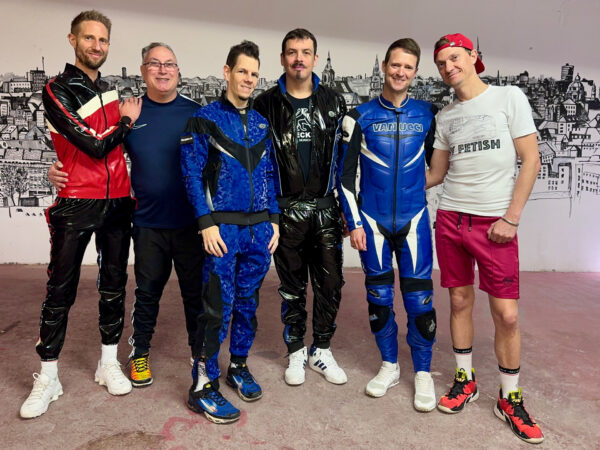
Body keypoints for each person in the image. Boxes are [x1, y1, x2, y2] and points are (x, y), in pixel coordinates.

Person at [48, 43, 204, 388]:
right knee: (147, 293)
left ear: (178, 71)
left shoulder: (197, 113)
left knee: (195, 294)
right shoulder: (129, 113)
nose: (162, 70)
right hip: (147, 222)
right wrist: (55, 169)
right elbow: (96, 153)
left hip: (190, 223)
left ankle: (200, 354)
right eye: (154, 64)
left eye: (169, 64)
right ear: (143, 70)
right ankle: (140, 352)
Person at [20, 10, 142, 419]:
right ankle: (48, 376)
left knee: (114, 285)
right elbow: (93, 145)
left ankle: (108, 362)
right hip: (76, 201)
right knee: (60, 291)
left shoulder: (110, 90)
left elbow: (114, 149)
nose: (97, 46)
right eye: (89, 38)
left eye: (103, 40)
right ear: (72, 40)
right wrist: (127, 121)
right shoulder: (56, 89)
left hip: (118, 201)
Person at [427, 33, 543, 443]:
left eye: (454, 58)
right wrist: (385, 183)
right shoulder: (446, 116)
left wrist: (511, 218)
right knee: (459, 301)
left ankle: (510, 399)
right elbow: (435, 174)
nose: (448, 67)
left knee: (506, 315)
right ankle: (466, 380)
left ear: (472, 56)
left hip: (495, 222)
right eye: (442, 63)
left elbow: (531, 160)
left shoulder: (508, 97)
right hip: (451, 219)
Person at [181, 40, 279, 424]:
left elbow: (269, 175)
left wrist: (274, 219)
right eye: (242, 71)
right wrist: (205, 223)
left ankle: (237, 365)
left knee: (247, 303)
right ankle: (202, 384)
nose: (249, 79)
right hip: (222, 230)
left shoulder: (262, 124)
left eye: (254, 74)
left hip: (258, 231)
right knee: (215, 307)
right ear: (227, 72)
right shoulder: (204, 119)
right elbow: (191, 174)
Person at [337, 38, 437, 411]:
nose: (400, 72)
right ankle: (389, 366)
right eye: (395, 65)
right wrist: (354, 223)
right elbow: (344, 179)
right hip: (373, 223)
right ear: (384, 66)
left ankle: (423, 372)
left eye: (408, 67)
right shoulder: (358, 116)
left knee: (419, 301)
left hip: (414, 220)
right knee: (379, 300)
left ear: (415, 72)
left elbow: (440, 167)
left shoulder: (429, 114)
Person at [253, 29, 347, 386]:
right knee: (291, 285)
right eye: (292, 52)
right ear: (282, 59)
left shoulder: (335, 102)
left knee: (330, 282)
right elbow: (258, 164)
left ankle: (321, 348)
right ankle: (295, 349)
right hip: (285, 210)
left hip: (325, 207)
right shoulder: (265, 104)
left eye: (305, 52)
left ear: (315, 58)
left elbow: (345, 162)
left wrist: (347, 210)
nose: (298, 59)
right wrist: (269, 213)